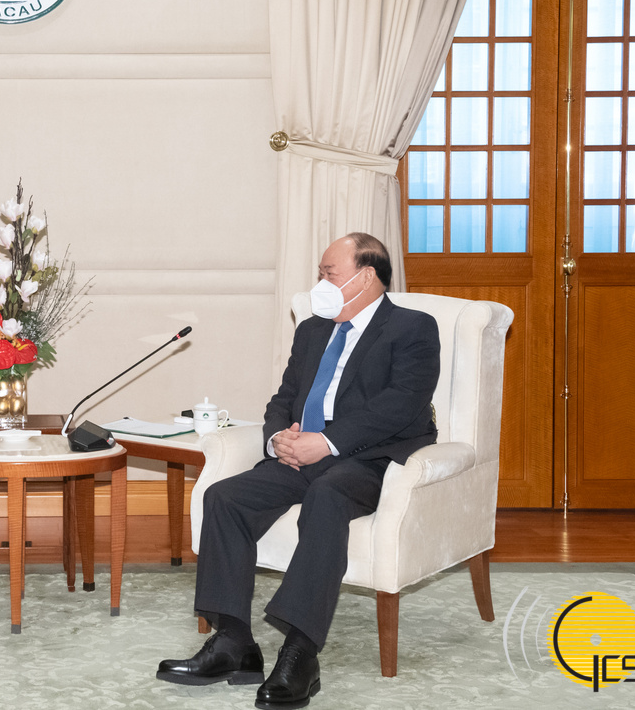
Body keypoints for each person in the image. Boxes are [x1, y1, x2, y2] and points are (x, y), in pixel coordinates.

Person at [156, 233, 440, 709]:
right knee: (223, 497)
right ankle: (233, 643)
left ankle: (300, 654)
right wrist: (277, 440)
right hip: (300, 453)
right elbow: (284, 397)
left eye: (329, 273)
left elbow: (401, 405)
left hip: (368, 459)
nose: (320, 282)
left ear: (365, 276)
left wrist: (326, 442)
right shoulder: (312, 330)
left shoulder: (412, 327)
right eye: (320, 273)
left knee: (327, 496)